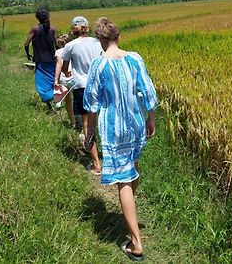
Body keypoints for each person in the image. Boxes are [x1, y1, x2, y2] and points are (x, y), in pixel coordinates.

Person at [83, 17, 157, 262]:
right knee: (132, 168)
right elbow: (148, 90)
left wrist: (90, 131)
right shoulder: (135, 58)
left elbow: (92, 102)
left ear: (100, 40)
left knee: (123, 180)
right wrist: (151, 119)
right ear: (119, 36)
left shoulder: (98, 65)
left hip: (113, 128)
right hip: (136, 123)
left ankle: (136, 243)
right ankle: (130, 208)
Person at [55, 15, 102, 175]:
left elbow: (65, 68)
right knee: (102, 122)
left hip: (82, 88)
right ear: (87, 27)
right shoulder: (97, 42)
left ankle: (96, 165)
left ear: (73, 29)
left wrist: (70, 71)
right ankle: (109, 158)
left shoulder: (70, 46)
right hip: (100, 86)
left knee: (87, 125)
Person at [24, 8, 57, 108]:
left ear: (37, 18)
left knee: (42, 82)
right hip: (52, 58)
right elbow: (56, 44)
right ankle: (57, 100)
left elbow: (26, 44)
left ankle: (49, 104)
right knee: (53, 80)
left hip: (40, 60)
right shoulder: (52, 29)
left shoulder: (35, 29)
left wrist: (28, 54)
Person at [55, 34, 80, 129]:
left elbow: (59, 65)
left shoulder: (58, 52)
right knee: (77, 99)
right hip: (74, 77)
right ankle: (80, 121)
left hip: (63, 78)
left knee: (68, 101)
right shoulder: (74, 50)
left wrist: (56, 79)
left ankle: (73, 122)